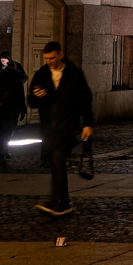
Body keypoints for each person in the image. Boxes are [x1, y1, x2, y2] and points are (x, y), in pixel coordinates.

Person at [27, 41, 94, 217]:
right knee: (54, 162)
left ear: (61, 55)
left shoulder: (74, 74)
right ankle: (64, 201)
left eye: (52, 58)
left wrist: (88, 123)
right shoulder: (41, 74)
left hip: (67, 125)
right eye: (46, 58)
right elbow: (32, 102)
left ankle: (57, 201)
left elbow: (85, 100)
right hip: (48, 126)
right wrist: (36, 96)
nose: (49, 61)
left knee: (58, 157)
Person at [0, 52, 27, 168]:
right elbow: (20, 96)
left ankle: (3, 152)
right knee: (6, 131)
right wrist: (23, 109)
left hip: (4, 108)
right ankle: (3, 154)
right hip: (9, 109)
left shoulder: (10, 79)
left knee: (4, 132)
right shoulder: (10, 79)